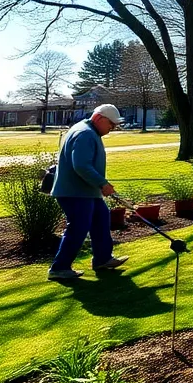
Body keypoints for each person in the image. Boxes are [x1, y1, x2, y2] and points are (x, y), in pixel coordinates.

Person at [48, 104, 129, 281]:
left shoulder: (89, 131)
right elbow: (81, 166)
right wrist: (103, 183)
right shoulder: (84, 133)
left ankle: (102, 259)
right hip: (74, 192)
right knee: (78, 227)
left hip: (86, 191)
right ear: (99, 118)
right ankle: (59, 268)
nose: (112, 128)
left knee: (101, 218)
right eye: (111, 124)